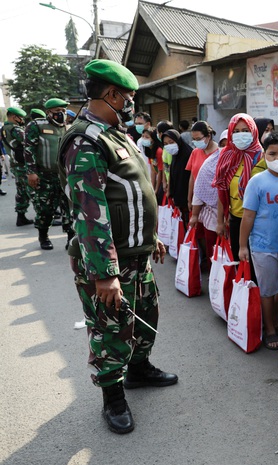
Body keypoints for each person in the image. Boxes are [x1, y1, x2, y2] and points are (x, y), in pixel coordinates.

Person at [59, 59, 178, 435]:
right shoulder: (86, 140)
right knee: (111, 331)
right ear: (111, 94)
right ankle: (112, 399)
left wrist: (151, 237)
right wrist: (105, 275)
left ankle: (139, 370)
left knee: (145, 316)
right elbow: (90, 214)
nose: (129, 103)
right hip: (109, 264)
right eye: (126, 96)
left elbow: (131, 193)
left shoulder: (116, 133)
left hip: (136, 255)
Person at [238, 130, 278, 351]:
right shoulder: (257, 182)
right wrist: (243, 246)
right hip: (263, 248)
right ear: (264, 156)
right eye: (272, 154)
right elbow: (248, 216)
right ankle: (270, 329)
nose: (277, 158)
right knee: (267, 290)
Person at [24, 97, 72, 250]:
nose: (61, 114)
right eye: (58, 111)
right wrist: (31, 172)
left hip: (65, 176)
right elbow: (28, 148)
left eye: (63, 111)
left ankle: (71, 238)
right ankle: (43, 236)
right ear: (48, 112)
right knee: (45, 209)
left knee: (69, 208)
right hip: (44, 175)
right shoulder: (36, 125)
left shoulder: (68, 127)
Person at [213, 113, 263, 258]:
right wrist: (220, 222)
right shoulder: (227, 156)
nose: (241, 135)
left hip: (259, 221)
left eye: (245, 130)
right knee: (239, 263)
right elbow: (222, 190)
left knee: (256, 267)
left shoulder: (263, 157)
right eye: (236, 131)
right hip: (235, 219)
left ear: (253, 131)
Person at [190, 129, 228, 265]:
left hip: (237, 218)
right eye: (224, 145)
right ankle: (216, 281)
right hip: (213, 216)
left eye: (230, 144)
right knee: (214, 253)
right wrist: (194, 215)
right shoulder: (210, 163)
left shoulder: (246, 163)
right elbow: (199, 187)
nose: (227, 148)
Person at [1, 106, 33, 224]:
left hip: (15, 163)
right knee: (33, 190)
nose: (22, 120)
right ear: (14, 117)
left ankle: (21, 216)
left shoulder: (4, 128)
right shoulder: (15, 129)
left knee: (21, 191)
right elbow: (29, 141)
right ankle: (45, 217)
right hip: (22, 164)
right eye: (21, 117)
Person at [162, 129, 193, 225]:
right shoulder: (175, 155)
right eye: (166, 144)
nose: (169, 146)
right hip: (178, 199)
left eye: (171, 142)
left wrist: (189, 199)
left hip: (188, 200)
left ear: (178, 140)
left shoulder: (188, 154)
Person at [186, 121, 218, 210]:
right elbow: (192, 177)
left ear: (208, 136)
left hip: (214, 203)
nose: (196, 142)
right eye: (194, 139)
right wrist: (189, 199)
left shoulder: (219, 154)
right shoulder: (195, 152)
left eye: (198, 139)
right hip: (197, 201)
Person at [139, 128, 164, 198]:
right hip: (157, 179)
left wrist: (156, 189)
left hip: (163, 181)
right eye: (143, 136)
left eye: (147, 137)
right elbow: (153, 171)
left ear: (153, 139)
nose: (144, 139)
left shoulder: (159, 151)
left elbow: (160, 171)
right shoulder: (149, 150)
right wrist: (152, 187)